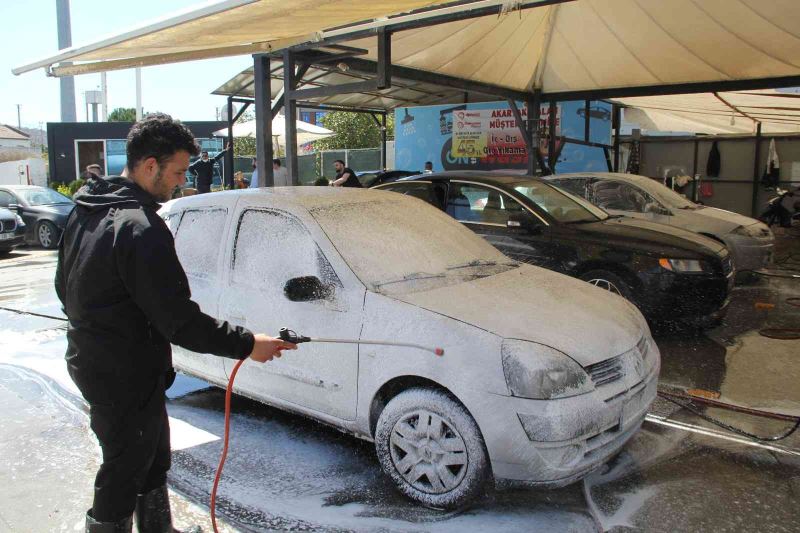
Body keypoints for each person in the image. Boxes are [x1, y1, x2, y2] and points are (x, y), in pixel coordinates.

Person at [55, 114, 297, 533]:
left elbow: (64, 287)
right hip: (121, 370)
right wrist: (247, 345)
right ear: (150, 165)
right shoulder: (140, 229)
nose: (181, 183)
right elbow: (179, 322)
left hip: (100, 361)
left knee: (151, 455)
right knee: (125, 464)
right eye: (179, 172)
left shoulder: (86, 211)